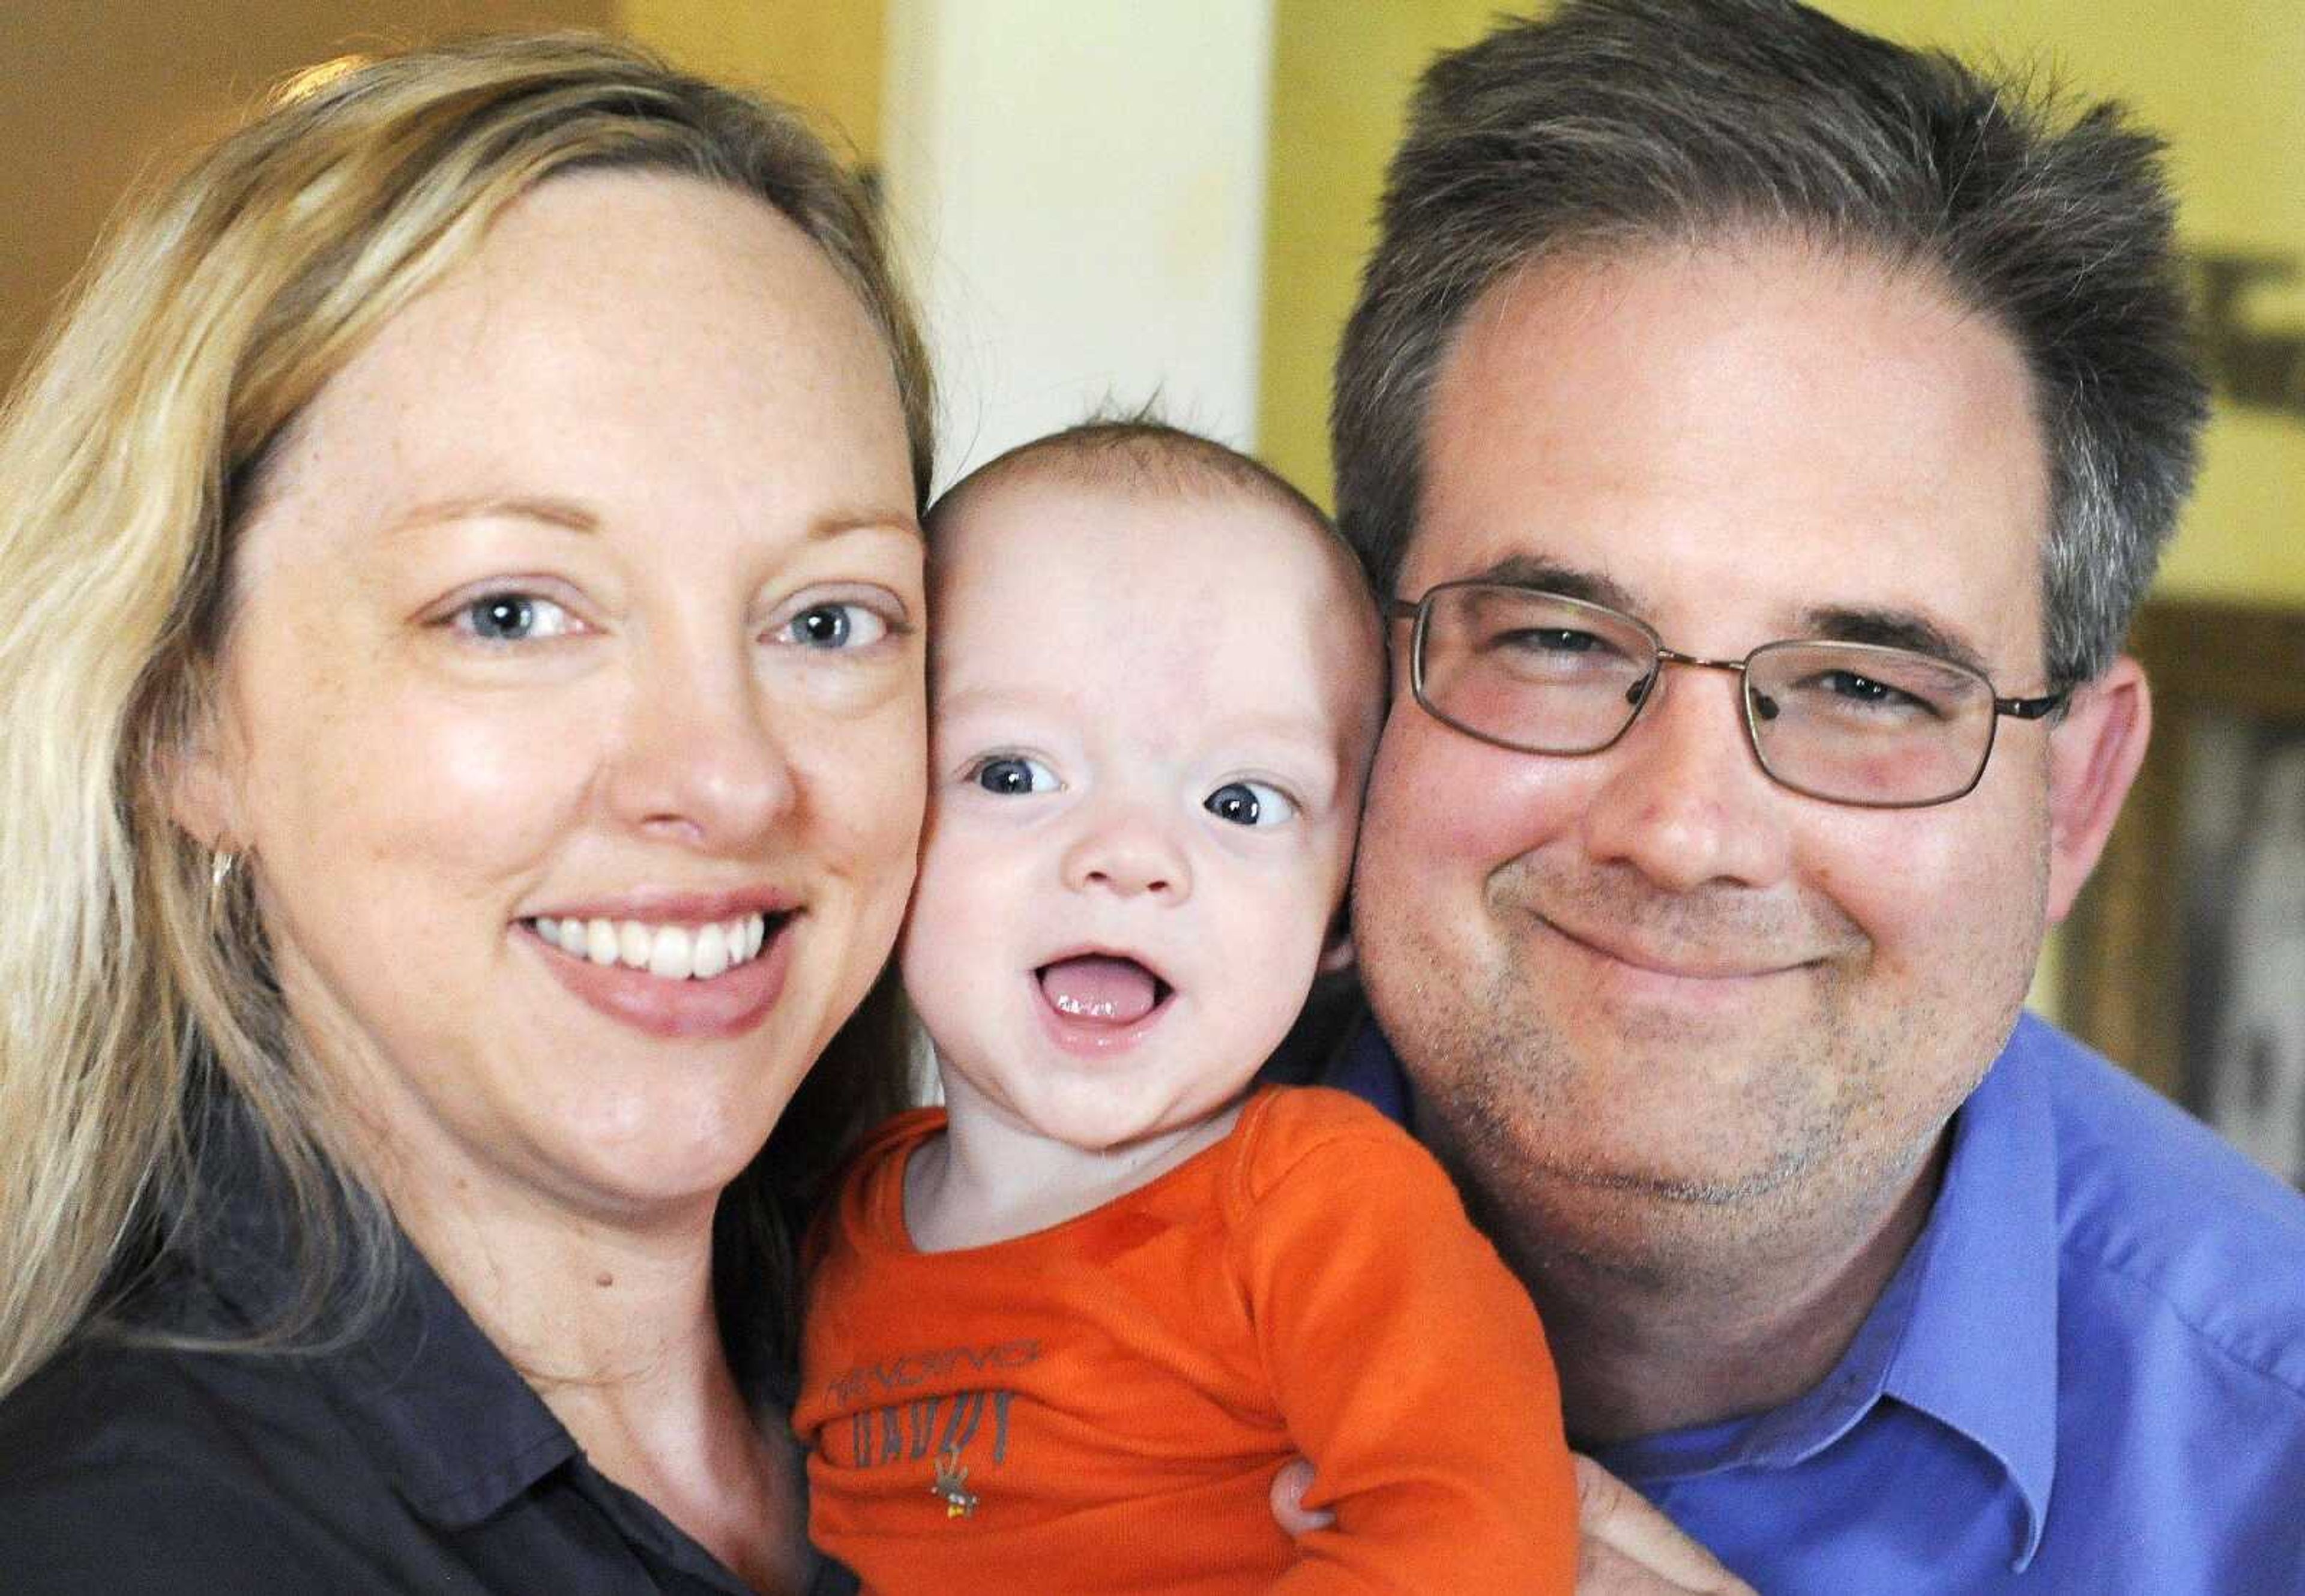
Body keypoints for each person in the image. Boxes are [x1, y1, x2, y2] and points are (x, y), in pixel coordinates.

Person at [1306, 0, 2305, 1589]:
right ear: (1349, 680)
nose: (1685, 829)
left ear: (2077, 794)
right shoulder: (925, 1261)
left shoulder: (2276, 1470)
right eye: (1561, 638)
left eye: (1865, 688)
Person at [0, 35, 936, 1593]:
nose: (727, 775)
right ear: (186, 720)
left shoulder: (1004, 1370)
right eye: (511, 612)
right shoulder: (121, 1548)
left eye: (830, 620)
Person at [792, 420, 1578, 1593]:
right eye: (1014, 774)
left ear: (1340, 913)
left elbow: (1476, 1539)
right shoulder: (836, 1220)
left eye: (1242, 801)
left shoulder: (1323, 1206)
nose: (1130, 856)